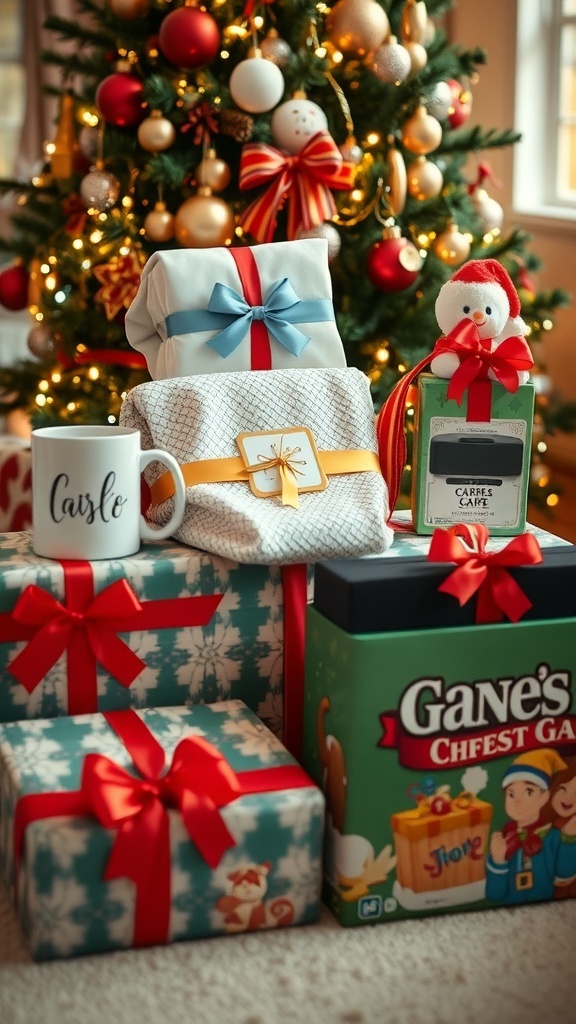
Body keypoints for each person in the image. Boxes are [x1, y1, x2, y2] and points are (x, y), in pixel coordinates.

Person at [486, 748, 576, 904]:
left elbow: (564, 875)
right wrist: (498, 860)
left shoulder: (552, 836)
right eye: (511, 794)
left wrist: (568, 839)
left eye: (529, 792)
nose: (518, 801)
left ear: (544, 796)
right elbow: (494, 895)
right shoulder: (504, 840)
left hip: (545, 910)